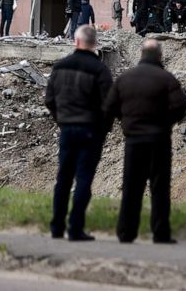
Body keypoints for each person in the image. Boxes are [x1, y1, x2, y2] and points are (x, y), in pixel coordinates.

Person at [103, 39, 186, 244]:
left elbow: (109, 107)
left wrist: (125, 120)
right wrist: (165, 122)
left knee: (131, 186)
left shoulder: (125, 79)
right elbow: (180, 105)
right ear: (160, 56)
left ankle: (126, 232)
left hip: (134, 140)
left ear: (141, 54)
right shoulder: (167, 79)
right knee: (159, 187)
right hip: (159, 140)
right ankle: (160, 233)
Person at [44, 25, 113, 241]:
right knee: (84, 179)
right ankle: (75, 228)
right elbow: (109, 105)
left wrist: (60, 120)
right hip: (90, 131)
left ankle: (56, 226)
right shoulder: (100, 70)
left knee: (63, 178)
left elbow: (49, 99)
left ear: (76, 41)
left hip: (67, 129)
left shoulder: (60, 66)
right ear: (95, 44)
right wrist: (103, 130)